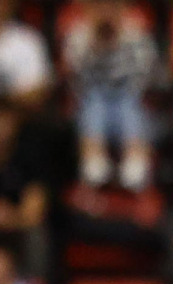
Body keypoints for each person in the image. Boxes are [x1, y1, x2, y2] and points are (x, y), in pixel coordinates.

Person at [62, 0, 161, 192]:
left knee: (128, 105)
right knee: (95, 103)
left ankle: (135, 159)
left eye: (112, 7)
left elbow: (146, 77)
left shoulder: (136, 36)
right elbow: (75, 80)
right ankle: (93, 157)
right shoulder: (79, 38)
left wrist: (117, 43)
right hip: (90, 102)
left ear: (123, 10)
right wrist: (95, 46)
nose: (106, 13)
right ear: (89, 11)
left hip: (129, 99)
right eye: (100, 8)